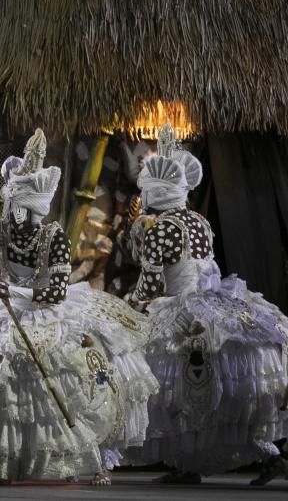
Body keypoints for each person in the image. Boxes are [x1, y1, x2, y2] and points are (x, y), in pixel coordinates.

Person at [0, 129, 157, 485]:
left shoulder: (55, 239)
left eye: (24, 210)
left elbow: (55, 290)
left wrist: (16, 293)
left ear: (37, 207)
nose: (18, 216)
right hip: (4, 313)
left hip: (44, 312)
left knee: (63, 376)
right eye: (15, 208)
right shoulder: (1, 231)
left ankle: (78, 455)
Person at [125, 123, 288, 485]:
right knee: (220, 393)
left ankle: (191, 466)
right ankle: (252, 457)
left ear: (155, 193)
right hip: (214, 303)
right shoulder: (198, 220)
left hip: (180, 307)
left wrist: (130, 306)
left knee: (177, 393)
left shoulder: (160, 228)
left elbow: (151, 282)